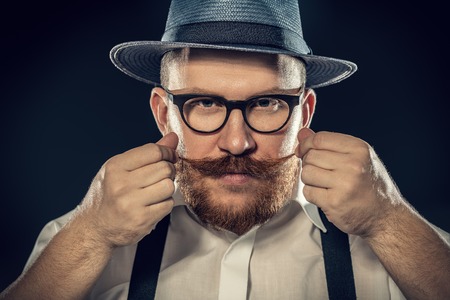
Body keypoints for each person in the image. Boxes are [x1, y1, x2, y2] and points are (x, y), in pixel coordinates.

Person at [1, 0, 450, 299]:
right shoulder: (87, 235)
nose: (237, 142)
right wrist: (91, 234)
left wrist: (388, 220)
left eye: (268, 103)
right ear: (163, 113)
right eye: (205, 103)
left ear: (305, 111)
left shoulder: (390, 240)